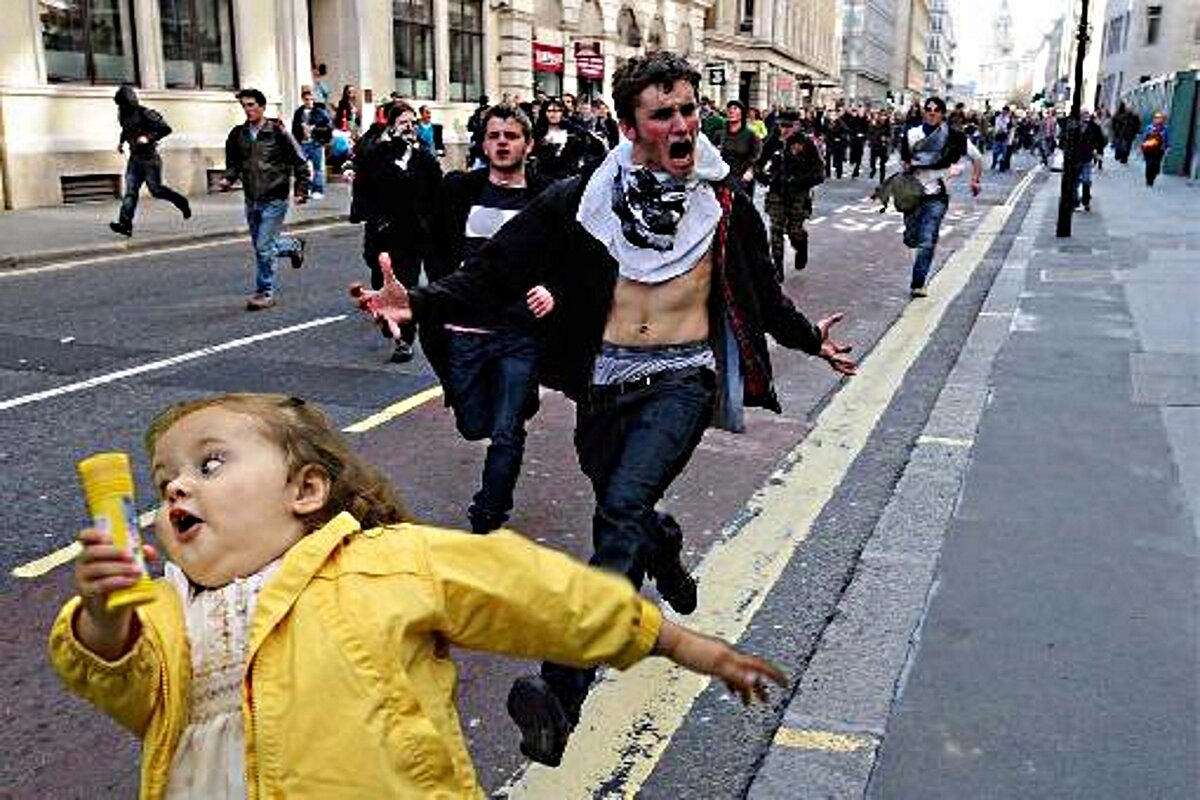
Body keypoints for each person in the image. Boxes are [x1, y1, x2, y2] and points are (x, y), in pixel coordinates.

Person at [350, 51, 856, 767]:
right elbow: (496, 271)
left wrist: (811, 341)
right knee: (630, 512)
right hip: (605, 383)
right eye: (663, 113)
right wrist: (417, 303)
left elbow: (764, 295)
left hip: (682, 378)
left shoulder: (723, 203)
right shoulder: (582, 201)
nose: (682, 125)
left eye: (688, 109)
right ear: (629, 126)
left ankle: (563, 692)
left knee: (617, 513)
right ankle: (664, 546)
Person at [50, 392, 787, 797]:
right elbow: (136, 694)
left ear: (306, 490)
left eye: (209, 464)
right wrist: (103, 621)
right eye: (165, 481)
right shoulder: (164, 609)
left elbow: (537, 594)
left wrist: (681, 644)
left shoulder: (384, 563)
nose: (178, 487)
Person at [422, 104, 552, 533]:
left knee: (507, 430)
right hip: (465, 332)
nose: (501, 143)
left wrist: (552, 288)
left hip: (519, 333)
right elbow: (436, 249)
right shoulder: (458, 189)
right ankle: (500, 411)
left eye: (511, 136)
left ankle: (488, 513)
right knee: (474, 423)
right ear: (483, 143)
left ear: (528, 145)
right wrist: (445, 292)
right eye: (494, 135)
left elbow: (568, 253)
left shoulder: (546, 196)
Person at [349, 101, 442, 363]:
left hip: (412, 235)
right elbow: (362, 190)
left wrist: (433, 224)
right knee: (380, 277)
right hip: (381, 233)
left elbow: (438, 193)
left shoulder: (424, 158)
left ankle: (404, 340)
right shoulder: (376, 156)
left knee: (407, 284)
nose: (409, 127)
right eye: (403, 123)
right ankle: (385, 308)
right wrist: (372, 217)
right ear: (391, 127)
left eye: (412, 123)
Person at [218, 89, 309, 311]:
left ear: (262, 106)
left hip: (275, 197)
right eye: (244, 106)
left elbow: (299, 161)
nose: (247, 109)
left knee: (263, 247)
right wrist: (228, 179)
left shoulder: (277, 131)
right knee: (262, 246)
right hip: (252, 198)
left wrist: (301, 189)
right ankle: (293, 245)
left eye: (251, 105)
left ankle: (264, 293)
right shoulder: (238, 134)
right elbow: (234, 163)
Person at [900, 96, 983, 299]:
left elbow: (977, 157)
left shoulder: (954, 137)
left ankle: (918, 284)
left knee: (927, 240)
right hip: (913, 193)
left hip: (937, 195)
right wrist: (913, 165)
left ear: (942, 114)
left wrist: (975, 180)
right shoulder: (912, 134)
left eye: (936, 110)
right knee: (912, 238)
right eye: (928, 109)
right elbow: (905, 163)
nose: (932, 113)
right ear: (924, 112)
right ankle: (912, 238)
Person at [109, 85, 191, 237]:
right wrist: (121, 142)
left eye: (123, 104)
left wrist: (148, 137)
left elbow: (165, 129)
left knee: (156, 190)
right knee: (130, 193)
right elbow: (126, 129)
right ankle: (125, 224)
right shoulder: (123, 115)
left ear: (129, 101)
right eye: (119, 104)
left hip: (150, 159)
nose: (121, 107)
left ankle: (181, 202)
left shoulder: (145, 113)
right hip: (134, 159)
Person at [757, 109, 825, 279]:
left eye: (788, 126)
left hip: (798, 195)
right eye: (781, 125)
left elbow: (819, 173)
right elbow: (757, 163)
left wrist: (799, 180)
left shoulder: (806, 143)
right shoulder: (773, 141)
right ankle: (777, 269)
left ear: (797, 125)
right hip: (776, 193)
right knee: (776, 230)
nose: (784, 129)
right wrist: (764, 177)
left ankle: (801, 246)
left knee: (795, 232)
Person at [290, 86, 332, 200]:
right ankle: (303, 190)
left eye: (311, 99)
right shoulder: (299, 112)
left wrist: (314, 129)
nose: (309, 102)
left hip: (316, 143)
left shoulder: (320, 112)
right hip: (303, 143)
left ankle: (317, 190)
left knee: (318, 168)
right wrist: (300, 131)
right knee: (301, 168)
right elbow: (294, 129)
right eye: (307, 99)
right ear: (303, 100)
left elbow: (328, 128)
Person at [716, 100, 761, 194]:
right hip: (721, 179)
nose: (731, 111)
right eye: (729, 109)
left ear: (742, 114)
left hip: (742, 180)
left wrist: (750, 171)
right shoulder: (719, 134)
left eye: (735, 108)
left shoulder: (751, 135)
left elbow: (757, 156)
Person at [1071, 109, 1107, 212]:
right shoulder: (1073, 126)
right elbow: (1065, 140)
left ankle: (1086, 201)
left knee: (1086, 180)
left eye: (1086, 114)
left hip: (1087, 157)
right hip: (1074, 158)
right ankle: (1075, 202)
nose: (1084, 117)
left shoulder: (1094, 127)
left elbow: (1102, 140)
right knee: (1075, 181)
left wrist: (1098, 151)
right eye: (1082, 114)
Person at [1140, 111, 1169, 187]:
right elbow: (1144, 138)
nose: (1158, 119)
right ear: (1154, 119)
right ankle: (1149, 181)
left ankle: (1153, 176)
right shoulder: (1149, 128)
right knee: (1149, 165)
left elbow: (1166, 139)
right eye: (1156, 118)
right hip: (1149, 150)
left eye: (1160, 118)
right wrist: (1143, 146)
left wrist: (1167, 146)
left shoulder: (1164, 129)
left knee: (1156, 165)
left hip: (1159, 150)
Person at [866, 109, 892, 182]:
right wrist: (871, 140)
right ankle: (873, 170)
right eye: (882, 116)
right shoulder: (873, 124)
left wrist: (886, 139)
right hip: (874, 146)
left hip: (883, 147)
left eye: (885, 116)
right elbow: (869, 134)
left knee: (882, 164)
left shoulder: (888, 126)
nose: (883, 117)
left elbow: (890, 136)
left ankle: (882, 180)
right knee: (872, 162)